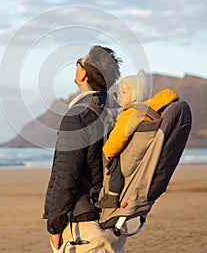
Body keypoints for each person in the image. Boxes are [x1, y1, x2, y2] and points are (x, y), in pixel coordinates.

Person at [43, 45, 127, 252]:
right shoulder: (118, 112)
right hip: (113, 222)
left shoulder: (78, 116)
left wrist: (54, 225)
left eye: (79, 62)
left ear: (83, 73)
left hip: (84, 229)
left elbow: (66, 175)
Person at [95, 70, 179, 208]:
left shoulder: (130, 114)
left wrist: (107, 152)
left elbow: (119, 136)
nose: (119, 97)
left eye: (123, 93)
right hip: (144, 156)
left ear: (136, 94)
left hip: (129, 160)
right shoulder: (149, 110)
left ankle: (112, 195)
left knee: (115, 161)